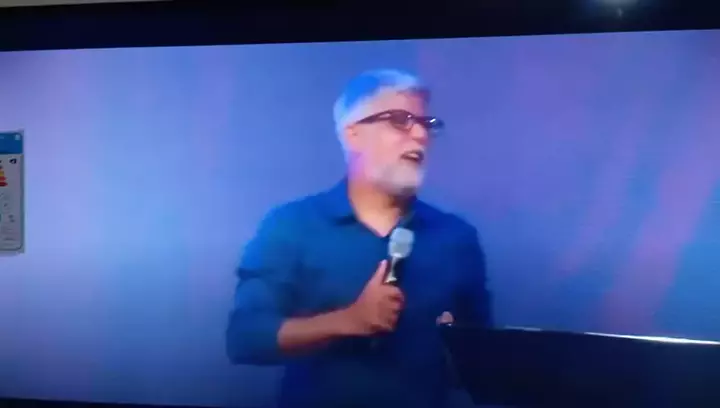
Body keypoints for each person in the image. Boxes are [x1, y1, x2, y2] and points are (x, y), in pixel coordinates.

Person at [226, 69, 493, 408]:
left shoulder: (456, 238)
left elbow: (482, 370)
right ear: (353, 133)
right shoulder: (291, 225)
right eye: (400, 120)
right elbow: (245, 339)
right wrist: (347, 321)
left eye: (426, 124)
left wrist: (457, 347)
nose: (420, 134)